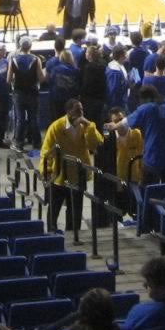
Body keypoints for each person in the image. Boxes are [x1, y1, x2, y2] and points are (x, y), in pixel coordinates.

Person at [40, 98, 104, 232]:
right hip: (59, 175)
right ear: (68, 111)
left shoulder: (86, 127)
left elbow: (96, 144)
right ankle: (52, 232)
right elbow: (46, 151)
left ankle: (73, 233)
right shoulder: (57, 127)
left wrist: (89, 126)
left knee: (75, 208)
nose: (80, 112)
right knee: (54, 206)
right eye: (77, 109)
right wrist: (46, 171)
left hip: (78, 174)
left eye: (81, 109)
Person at [117, 85, 165, 185]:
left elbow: (123, 124)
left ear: (145, 99)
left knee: (148, 190)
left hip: (155, 156)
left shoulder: (146, 108)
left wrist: (113, 126)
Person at [10, 37, 44, 151]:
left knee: (20, 118)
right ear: (30, 46)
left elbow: (8, 79)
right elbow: (41, 77)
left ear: (20, 46)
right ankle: (37, 143)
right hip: (33, 92)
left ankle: (19, 143)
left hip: (19, 92)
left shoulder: (13, 59)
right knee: (33, 118)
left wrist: (15, 81)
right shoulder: (36, 59)